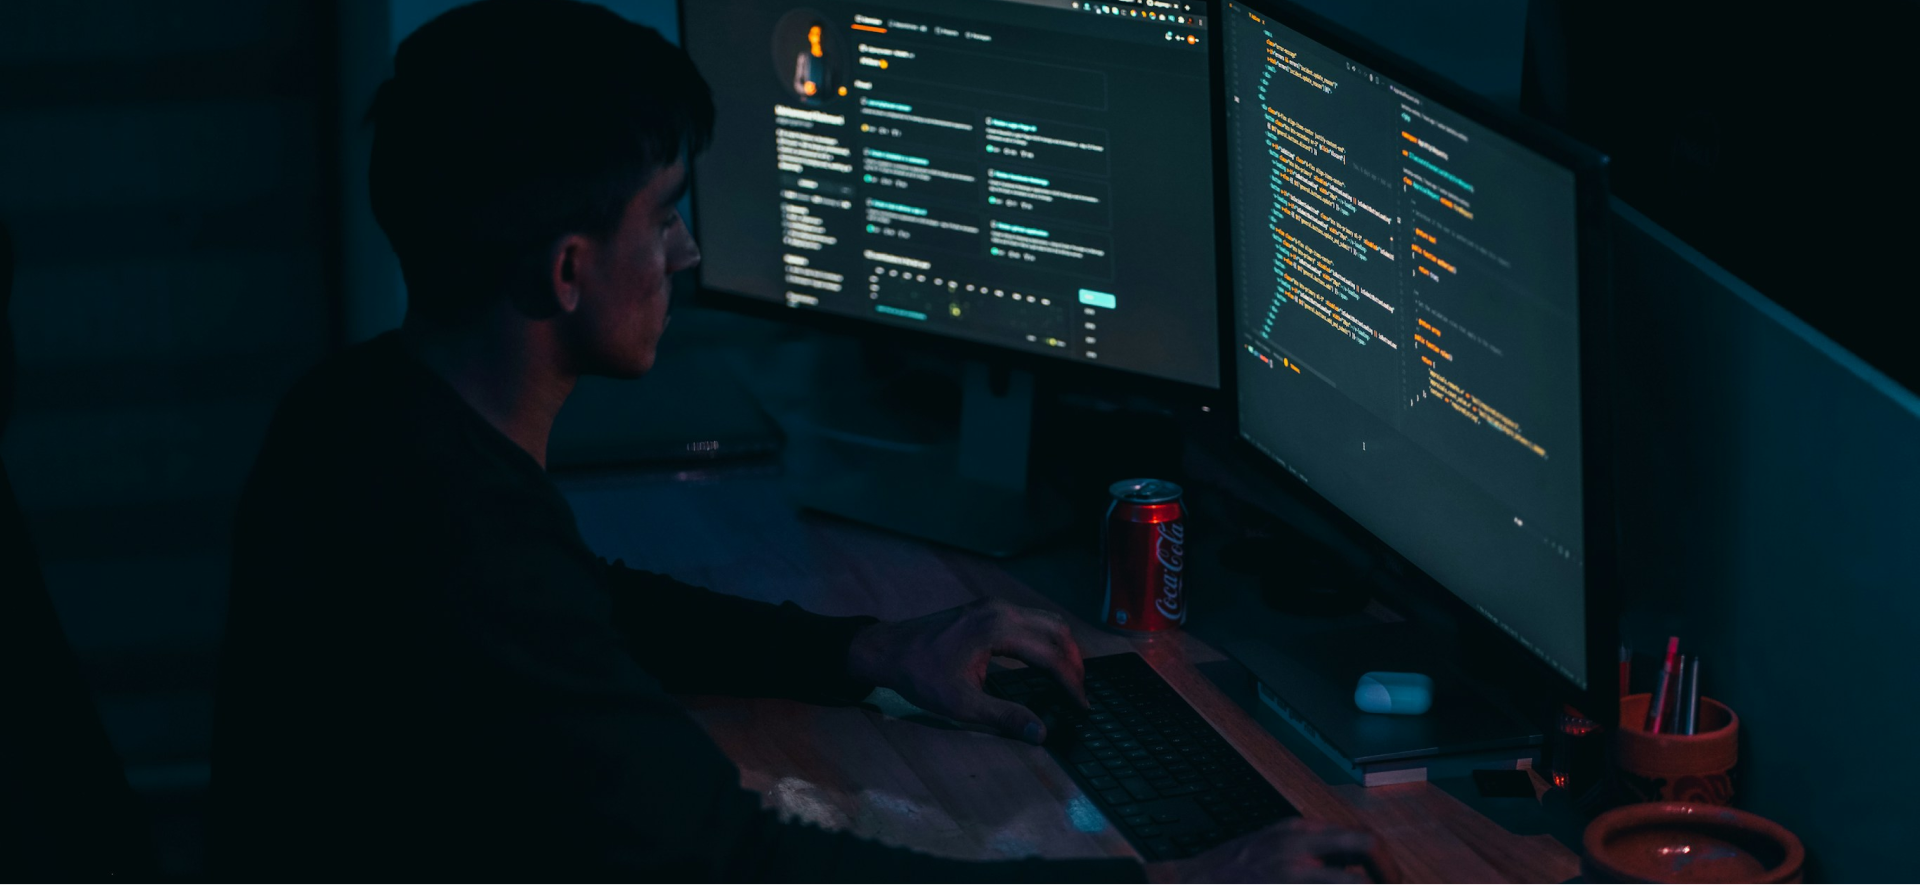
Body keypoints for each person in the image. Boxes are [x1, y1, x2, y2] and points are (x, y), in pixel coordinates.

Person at [204, 2, 1399, 883]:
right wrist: (1179, 882)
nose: (685, 255)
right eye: (664, 216)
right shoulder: (452, 545)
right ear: (570, 271)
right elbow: (734, 869)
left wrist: (875, 649)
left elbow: (586, 608)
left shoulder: (367, 419)